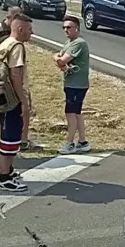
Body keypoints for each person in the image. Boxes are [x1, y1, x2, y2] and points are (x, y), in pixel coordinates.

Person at [0, 14, 34, 192]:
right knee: (10, 137)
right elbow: (15, 75)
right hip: (11, 97)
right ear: (20, 29)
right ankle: (4, 177)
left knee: (7, 132)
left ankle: (8, 171)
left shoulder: (4, 44)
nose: (32, 33)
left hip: (0, 95)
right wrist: (23, 101)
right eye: (30, 30)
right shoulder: (17, 47)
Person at [53, 16, 91, 155]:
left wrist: (58, 60)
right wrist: (58, 59)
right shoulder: (69, 42)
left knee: (70, 113)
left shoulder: (79, 43)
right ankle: (82, 141)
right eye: (64, 27)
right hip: (72, 83)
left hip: (76, 84)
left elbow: (61, 60)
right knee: (77, 113)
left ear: (77, 28)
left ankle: (70, 142)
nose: (65, 30)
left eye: (69, 27)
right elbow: (59, 57)